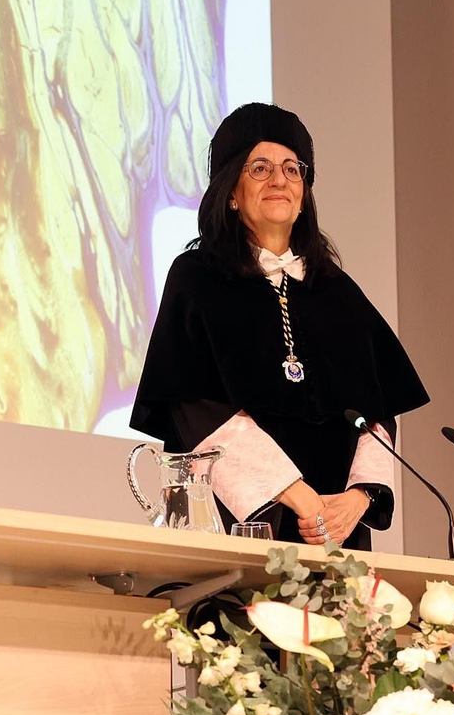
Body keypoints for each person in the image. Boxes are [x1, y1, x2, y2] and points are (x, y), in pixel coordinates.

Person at [131, 102, 428, 550]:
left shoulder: (337, 289)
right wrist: (300, 497)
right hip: (248, 523)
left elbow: (377, 409)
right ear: (230, 192)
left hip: (339, 533)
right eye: (260, 168)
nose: (279, 180)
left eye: (293, 168)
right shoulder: (198, 278)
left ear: (305, 192)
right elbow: (194, 406)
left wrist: (358, 499)